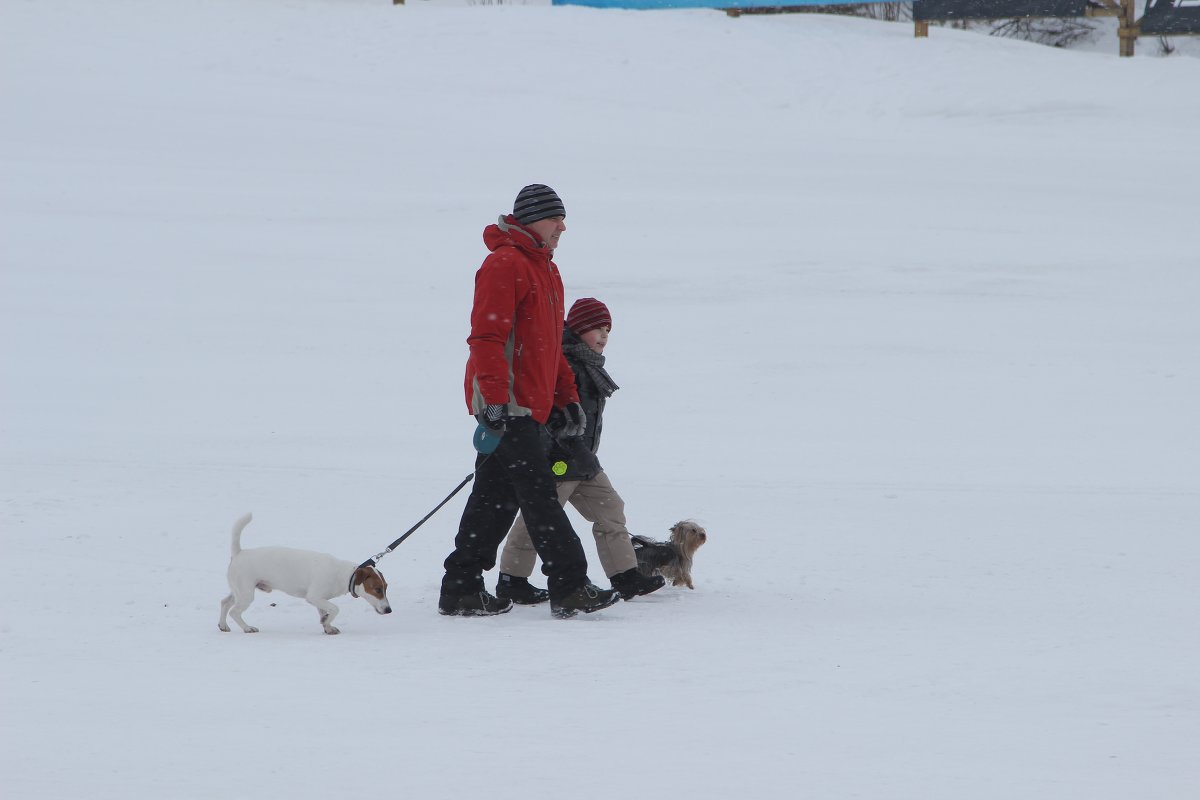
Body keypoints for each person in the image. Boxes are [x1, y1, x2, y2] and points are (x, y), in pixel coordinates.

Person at [439, 184, 621, 619]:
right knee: (540, 496)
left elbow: (550, 346)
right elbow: (486, 337)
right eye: (555, 218)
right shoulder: (504, 264)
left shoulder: (546, 270)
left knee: (494, 498)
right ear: (532, 219)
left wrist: (566, 399)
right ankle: (571, 584)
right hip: (508, 404)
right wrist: (496, 401)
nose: (562, 227)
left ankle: (461, 585)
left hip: (530, 404)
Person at [495, 298, 666, 604]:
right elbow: (547, 415)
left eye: (607, 330)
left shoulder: (590, 367)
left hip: (584, 460)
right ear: (576, 329)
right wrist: (557, 451)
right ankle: (513, 580)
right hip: (556, 461)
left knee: (611, 510)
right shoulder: (563, 365)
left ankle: (625, 576)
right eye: (595, 328)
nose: (603, 336)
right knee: (538, 521)